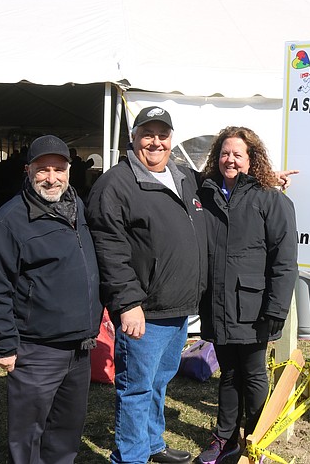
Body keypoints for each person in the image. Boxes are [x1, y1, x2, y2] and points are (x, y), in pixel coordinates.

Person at [86, 106, 207, 464]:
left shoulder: (184, 176)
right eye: (147, 134)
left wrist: (264, 180)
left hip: (178, 305)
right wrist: (127, 303)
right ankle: (130, 456)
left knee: (159, 379)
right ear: (134, 137)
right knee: (136, 386)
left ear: (172, 140)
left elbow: (225, 191)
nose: (155, 142)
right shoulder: (116, 184)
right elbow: (109, 249)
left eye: (163, 135)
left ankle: (152, 443)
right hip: (144, 309)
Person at [0, 135, 103, 464]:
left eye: (59, 169)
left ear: (69, 171)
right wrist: (2, 344)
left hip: (80, 346)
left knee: (66, 431)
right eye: (43, 169)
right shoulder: (8, 221)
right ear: (28, 170)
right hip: (36, 349)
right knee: (28, 434)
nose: (52, 177)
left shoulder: (79, 208)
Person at [194, 127, 298, 464]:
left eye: (238, 154)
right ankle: (226, 438)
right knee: (228, 372)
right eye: (225, 153)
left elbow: (285, 259)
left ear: (252, 159)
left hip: (254, 306)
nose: (230, 160)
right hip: (218, 302)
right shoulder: (206, 194)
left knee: (253, 374)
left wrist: (277, 308)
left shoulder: (271, 199)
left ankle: (256, 437)